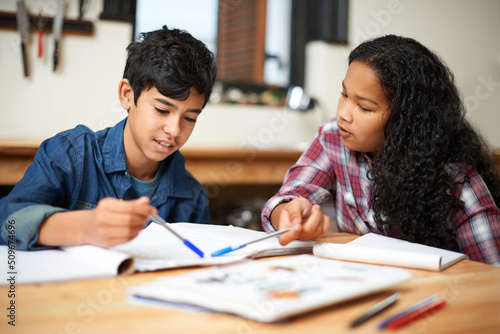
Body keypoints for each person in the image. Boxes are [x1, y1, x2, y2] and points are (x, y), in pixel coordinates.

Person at [262, 34, 500, 265]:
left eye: (364, 108)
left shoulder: (456, 180)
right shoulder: (334, 137)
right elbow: (291, 194)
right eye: (344, 94)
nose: (343, 113)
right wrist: (288, 213)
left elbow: (492, 278)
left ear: (405, 120)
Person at [0, 26, 217, 250]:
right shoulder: (70, 155)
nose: (174, 130)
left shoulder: (193, 196)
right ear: (126, 95)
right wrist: (85, 227)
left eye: (190, 118)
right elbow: (8, 221)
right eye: (162, 110)